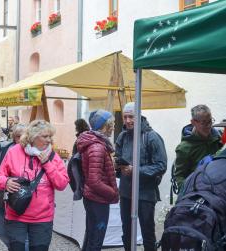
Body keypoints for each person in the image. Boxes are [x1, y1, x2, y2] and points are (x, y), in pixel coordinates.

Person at [0, 120, 69, 251]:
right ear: (33, 137)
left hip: (42, 218)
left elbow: (62, 184)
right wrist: (5, 182)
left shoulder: (53, 156)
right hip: (16, 214)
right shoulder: (14, 152)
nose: (49, 140)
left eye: (50, 136)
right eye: (45, 136)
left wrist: (47, 164)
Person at [115, 102, 167, 251]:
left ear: (139, 116)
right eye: (125, 117)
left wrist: (135, 170)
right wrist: (118, 166)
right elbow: (119, 159)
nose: (127, 121)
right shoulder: (122, 136)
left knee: (147, 233)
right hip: (126, 192)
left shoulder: (152, 137)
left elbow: (161, 166)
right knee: (127, 232)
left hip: (145, 193)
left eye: (131, 116)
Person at [77, 110, 119, 251]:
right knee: (96, 239)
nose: (114, 127)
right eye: (112, 124)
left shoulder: (96, 143)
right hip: (98, 200)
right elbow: (94, 181)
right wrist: (112, 192)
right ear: (104, 126)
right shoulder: (97, 147)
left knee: (91, 235)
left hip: (92, 198)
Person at [0, 123, 26, 248]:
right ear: (14, 137)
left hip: (20, 198)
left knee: (20, 234)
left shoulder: (31, 151)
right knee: (2, 231)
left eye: (24, 136)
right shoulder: (4, 148)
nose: (21, 139)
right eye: (18, 136)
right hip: (2, 195)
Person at [174, 105, 222, 191]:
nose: (209, 126)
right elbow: (180, 176)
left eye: (210, 121)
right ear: (193, 122)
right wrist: (187, 193)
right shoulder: (184, 148)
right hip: (200, 192)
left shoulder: (219, 138)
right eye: (204, 123)